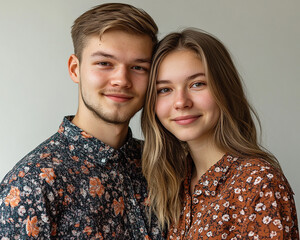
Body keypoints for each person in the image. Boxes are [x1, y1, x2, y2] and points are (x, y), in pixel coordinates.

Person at [0, 3, 163, 239]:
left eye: (138, 67)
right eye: (105, 63)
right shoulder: (31, 184)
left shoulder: (160, 165)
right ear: (75, 69)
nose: (122, 80)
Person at [142, 28, 299, 239]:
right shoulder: (173, 182)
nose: (181, 102)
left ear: (223, 88)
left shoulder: (258, 183)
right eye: (164, 89)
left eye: (197, 84)